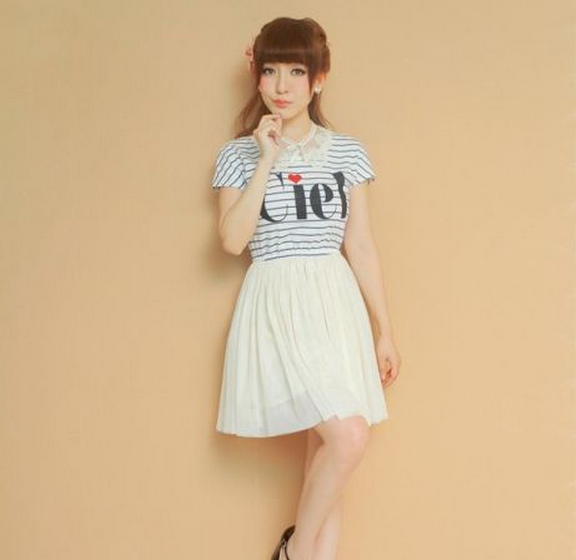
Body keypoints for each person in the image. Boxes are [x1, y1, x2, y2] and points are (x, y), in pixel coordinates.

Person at [211, 16, 401, 560]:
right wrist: (266, 159)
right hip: (276, 301)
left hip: (333, 301)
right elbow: (233, 240)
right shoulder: (237, 156)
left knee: (326, 452)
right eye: (271, 70)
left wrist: (384, 329)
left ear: (319, 78)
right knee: (348, 437)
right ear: (256, 74)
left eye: (296, 71)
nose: (282, 85)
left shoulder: (347, 152)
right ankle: (293, 551)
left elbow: (359, 244)